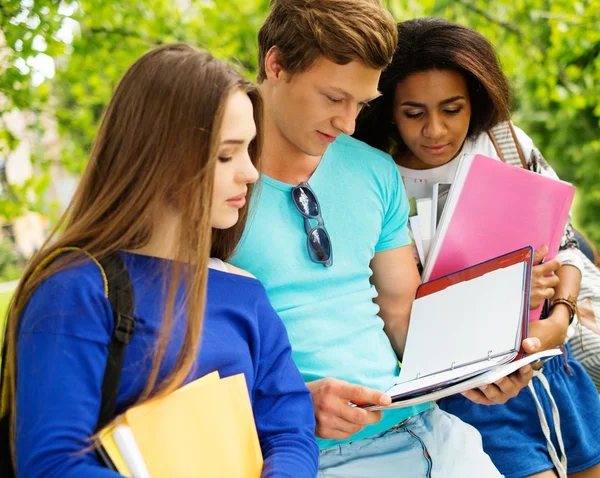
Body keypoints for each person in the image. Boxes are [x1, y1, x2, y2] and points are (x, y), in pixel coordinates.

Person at [231, 1, 538, 476]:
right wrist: (285, 404)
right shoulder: (209, 178)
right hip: (299, 450)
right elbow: (181, 349)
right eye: (334, 98)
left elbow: (403, 316)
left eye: (362, 104)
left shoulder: (373, 170)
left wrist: (479, 368)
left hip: (425, 430)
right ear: (276, 65)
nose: (349, 125)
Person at [3, 43, 319, 477]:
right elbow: (53, 464)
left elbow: (289, 431)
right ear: (161, 156)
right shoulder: (74, 289)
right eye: (226, 154)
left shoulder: (245, 293)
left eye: (249, 150)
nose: (250, 172)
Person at [354, 17, 600, 478]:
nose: (434, 129)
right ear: (389, 109)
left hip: (555, 370)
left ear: (476, 100)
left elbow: (566, 250)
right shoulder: (379, 181)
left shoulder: (503, 143)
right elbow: (396, 311)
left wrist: (559, 322)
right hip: (473, 396)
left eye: (452, 108)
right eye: (414, 113)